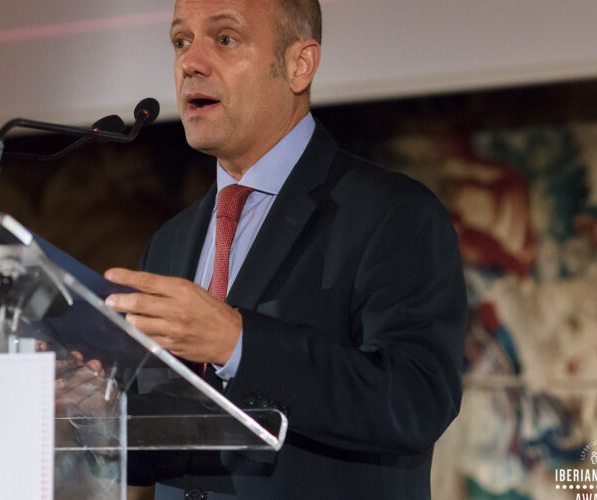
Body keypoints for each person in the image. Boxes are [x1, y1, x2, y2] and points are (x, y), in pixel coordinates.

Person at [102, 0, 467, 497]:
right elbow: (173, 441)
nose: (190, 62)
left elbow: (416, 401)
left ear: (300, 65)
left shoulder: (393, 214)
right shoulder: (170, 242)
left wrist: (238, 343)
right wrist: (100, 412)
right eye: (181, 41)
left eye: (225, 39)